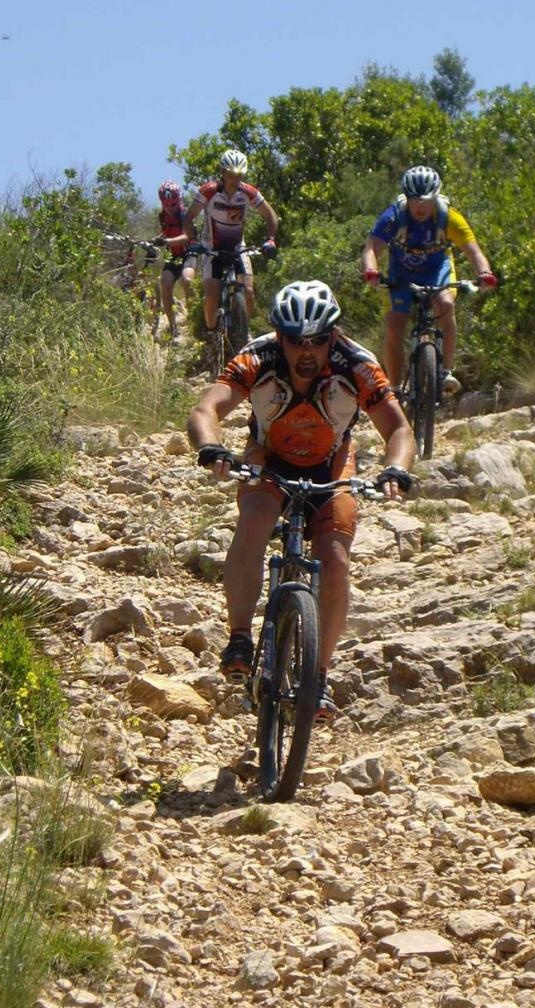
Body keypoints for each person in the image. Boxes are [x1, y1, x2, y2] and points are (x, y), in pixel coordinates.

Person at [187, 280, 416, 717]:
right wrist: (210, 446)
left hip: (331, 463)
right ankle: (239, 636)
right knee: (254, 520)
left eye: (317, 341)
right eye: (294, 341)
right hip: (269, 456)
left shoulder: (357, 364)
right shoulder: (259, 356)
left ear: (334, 335)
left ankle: (320, 675)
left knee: (334, 559)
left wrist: (396, 468)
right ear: (279, 337)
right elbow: (206, 409)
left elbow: (399, 429)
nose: (306, 352)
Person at [361, 165, 497, 397]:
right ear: (407, 197)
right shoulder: (394, 216)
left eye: (426, 199)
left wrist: (485, 273)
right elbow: (371, 247)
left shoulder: (449, 218)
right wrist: (371, 271)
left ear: (436, 196)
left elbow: (473, 251)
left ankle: (445, 371)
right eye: (415, 199)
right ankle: (394, 391)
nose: (420, 205)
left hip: (437, 269)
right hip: (401, 272)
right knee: (394, 324)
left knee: (445, 305)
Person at [182, 148, 279, 334]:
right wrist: (193, 241)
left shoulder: (248, 192)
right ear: (223, 172)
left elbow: (271, 216)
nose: (235, 180)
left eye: (239, 175)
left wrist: (271, 240)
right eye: (231, 175)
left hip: (237, 248)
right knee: (210, 300)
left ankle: (246, 333)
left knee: (249, 292)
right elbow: (188, 217)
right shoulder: (209, 192)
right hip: (212, 249)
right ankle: (210, 331)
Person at [156, 180, 194, 340]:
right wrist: (156, 239)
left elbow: (187, 236)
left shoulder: (185, 215)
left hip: (189, 253)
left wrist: (167, 242)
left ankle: (194, 321)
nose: (170, 208)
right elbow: (164, 233)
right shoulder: (162, 216)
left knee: (187, 280)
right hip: (173, 256)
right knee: (164, 282)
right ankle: (173, 328)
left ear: (178, 200)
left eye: (173, 204)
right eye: (167, 205)